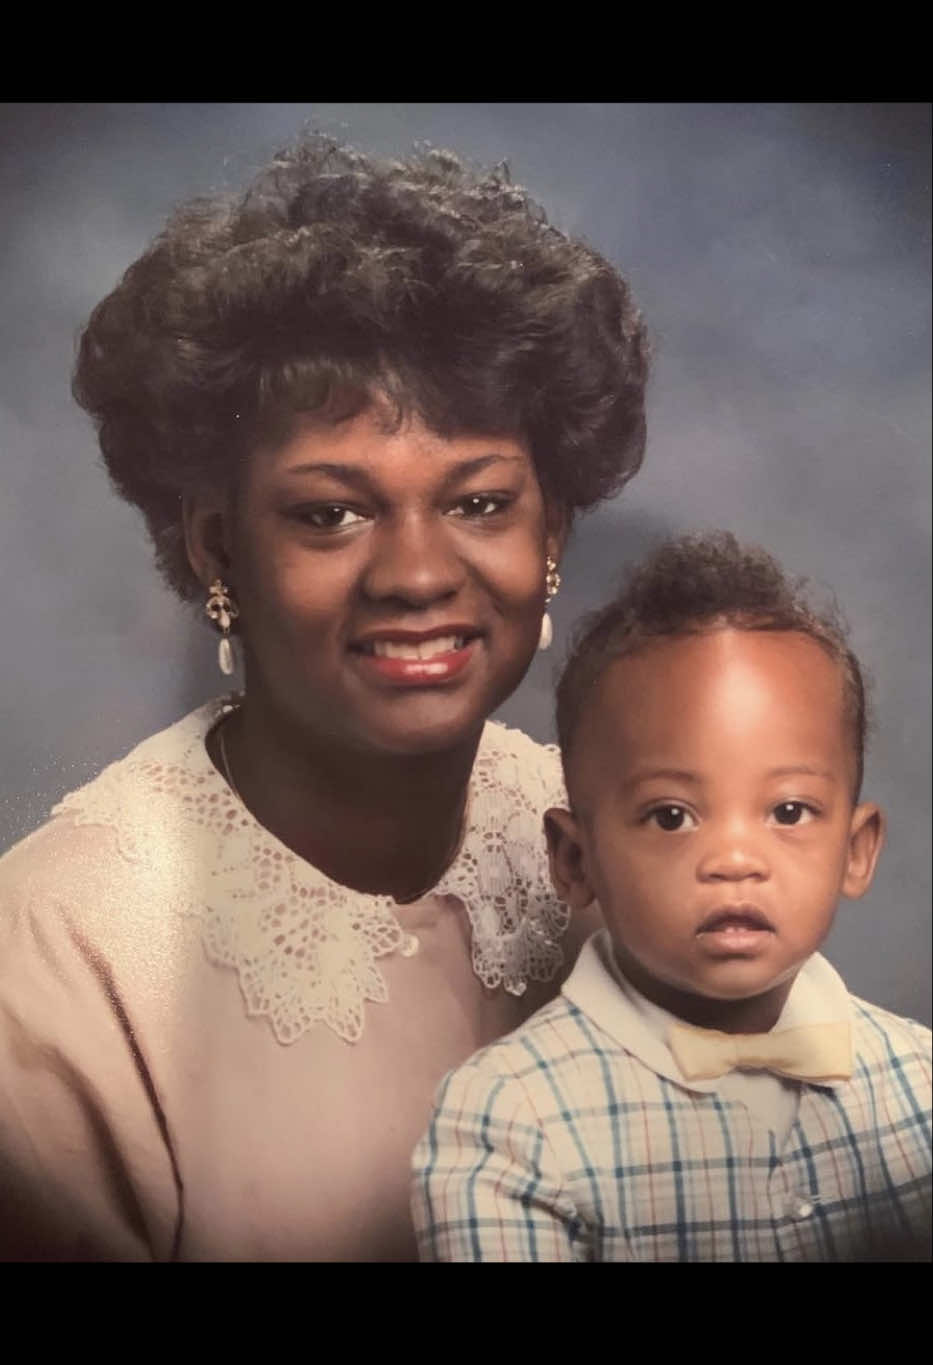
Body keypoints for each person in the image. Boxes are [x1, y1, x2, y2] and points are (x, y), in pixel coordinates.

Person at [0, 133, 650, 1261]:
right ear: (217, 548)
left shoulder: (617, 838)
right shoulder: (62, 957)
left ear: (552, 534)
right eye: (330, 513)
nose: (416, 574)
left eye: (480, 503)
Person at [413, 532, 932, 1261]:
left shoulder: (920, 1081)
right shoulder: (511, 1117)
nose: (734, 861)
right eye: (671, 816)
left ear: (855, 850)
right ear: (575, 858)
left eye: (788, 812)